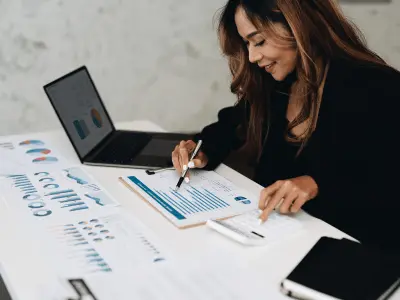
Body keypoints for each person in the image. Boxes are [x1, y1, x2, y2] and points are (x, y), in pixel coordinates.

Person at [171, 0, 400, 253]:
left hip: (354, 253)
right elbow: (228, 127)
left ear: (297, 25)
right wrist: (201, 150)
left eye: (258, 41)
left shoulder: (378, 87)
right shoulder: (276, 86)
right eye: (247, 44)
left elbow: (384, 182)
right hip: (277, 241)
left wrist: (317, 183)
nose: (252, 56)